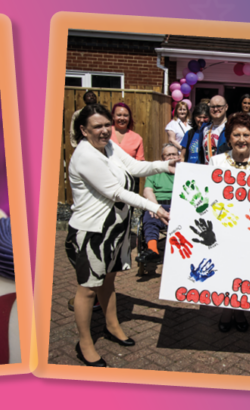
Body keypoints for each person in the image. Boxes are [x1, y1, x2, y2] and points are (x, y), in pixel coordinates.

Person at [66, 103, 178, 367]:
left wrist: (166, 165)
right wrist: (155, 208)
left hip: (114, 229)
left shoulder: (108, 145)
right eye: (98, 126)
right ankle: (84, 343)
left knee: (108, 281)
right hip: (92, 232)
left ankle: (112, 326)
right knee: (88, 289)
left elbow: (135, 167)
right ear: (83, 130)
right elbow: (116, 192)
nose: (105, 131)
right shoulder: (85, 156)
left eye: (107, 125)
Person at [207, 113, 250, 332]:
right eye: (236, 134)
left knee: (247, 269)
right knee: (226, 269)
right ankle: (227, 310)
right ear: (229, 138)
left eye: (246, 135)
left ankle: (241, 308)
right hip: (225, 227)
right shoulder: (216, 161)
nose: (241, 139)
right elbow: (209, 193)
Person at [136, 144, 181, 266]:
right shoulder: (155, 171)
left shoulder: (184, 170)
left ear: (178, 156)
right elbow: (147, 190)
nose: (171, 157)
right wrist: (155, 207)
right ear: (162, 158)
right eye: (168, 155)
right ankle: (153, 250)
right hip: (160, 204)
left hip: (178, 205)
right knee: (149, 215)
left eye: (174, 154)